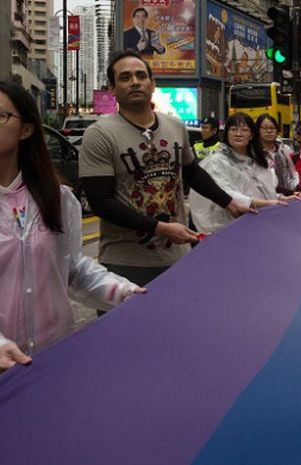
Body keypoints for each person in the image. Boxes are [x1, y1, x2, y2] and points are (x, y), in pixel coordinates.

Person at [0, 81, 143, 369]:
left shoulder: (58, 197)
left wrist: (124, 292)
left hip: (52, 359)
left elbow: (73, 267)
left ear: (26, 130)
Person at [79, 50, 253, 287]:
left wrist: (229, 203)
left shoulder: (174, 125)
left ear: (152, 83)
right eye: (125, 77)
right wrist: (161, 228)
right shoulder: (99, 134)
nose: (135, 82)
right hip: (125, 264)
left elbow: (192, 172)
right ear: (112, 88)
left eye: (141, 75)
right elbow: (100, 201)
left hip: (177, 259)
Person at [189, 113, 289, 234]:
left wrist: (282, 198)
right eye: (233, 129)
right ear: (227, 133)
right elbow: (227, 194)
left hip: (256, 226)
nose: (238, 134)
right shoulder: (217, 161)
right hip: (227, 227)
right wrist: (268, 203)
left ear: (251, 135)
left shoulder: (256, 162)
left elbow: (263, 190)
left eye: (244, 130)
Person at [255, 113, 301, 197]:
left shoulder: (283, 150)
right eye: (265, 128)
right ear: (258, 130)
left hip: (288, 196)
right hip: (264, 199)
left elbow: (292, 174)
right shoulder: (254, 153)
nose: (269, 131)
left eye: (272, 128)